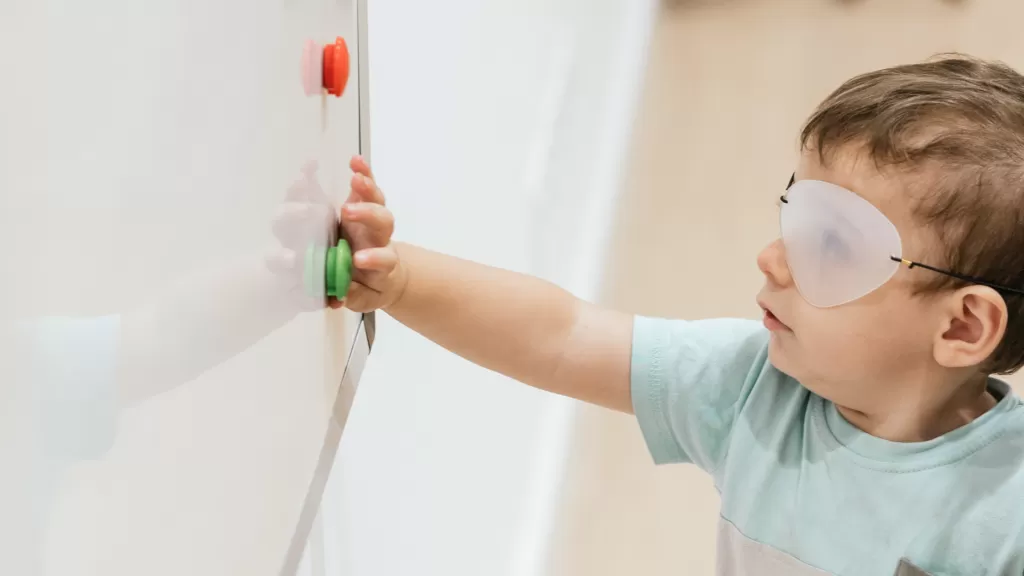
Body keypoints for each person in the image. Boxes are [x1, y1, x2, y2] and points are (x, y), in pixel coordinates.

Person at [335, 55, 1024, 574]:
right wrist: (399, 280)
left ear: (962, 326)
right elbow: (561, 337)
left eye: (831, 245)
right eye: (793, 214)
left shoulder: (1008, 511)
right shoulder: (753, 389)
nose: (771, 259)